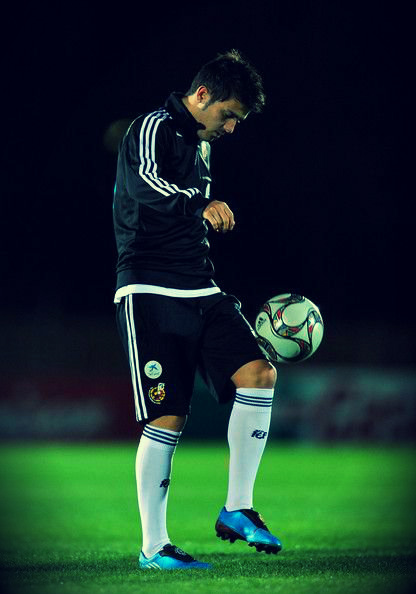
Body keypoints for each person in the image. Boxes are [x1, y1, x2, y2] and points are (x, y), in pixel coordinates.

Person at [113, 49, 282, 570]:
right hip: (148, 288)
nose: (230, 128)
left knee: (258, 374)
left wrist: (199, 213)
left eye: (237, 121)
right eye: (228, 115)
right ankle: (155, 547)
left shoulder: (203, 145)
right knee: (168, 416)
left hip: (200, 288)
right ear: (202, 95)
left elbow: (187, 214)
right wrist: (199, 203)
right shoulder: (151, 127)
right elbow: (145, 186)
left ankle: (238, 508)